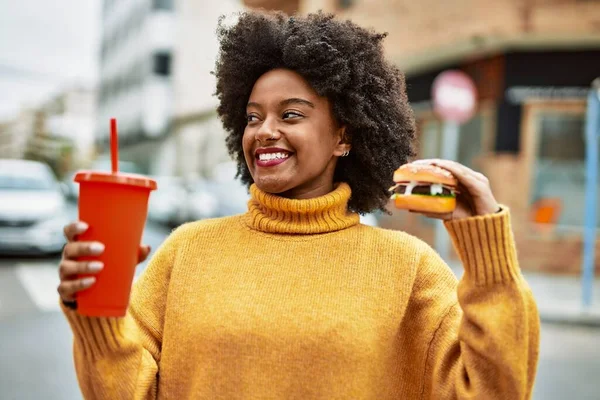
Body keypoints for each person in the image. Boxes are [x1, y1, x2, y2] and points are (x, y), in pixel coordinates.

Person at [58, 11, 539, 399]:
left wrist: (489, 260)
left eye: (291, 114)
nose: (265, 130)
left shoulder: (408, 268)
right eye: (252, 117)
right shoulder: (187, 251)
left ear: (343, 136)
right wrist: (96, 315)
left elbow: (494, 391)